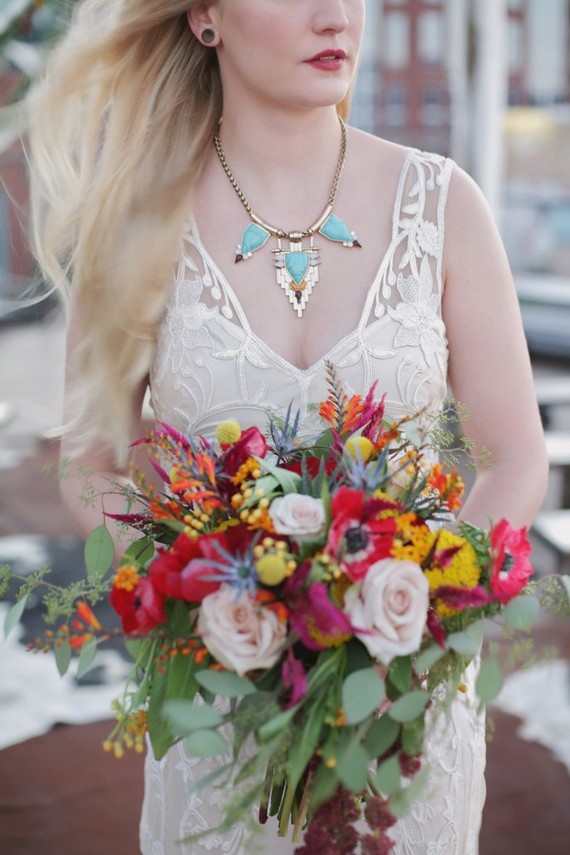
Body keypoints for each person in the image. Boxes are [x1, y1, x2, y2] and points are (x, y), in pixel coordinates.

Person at [27, 0, 548, 852]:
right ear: (205, 18)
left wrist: (414, 633)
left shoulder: (443, 203)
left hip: (404, 715)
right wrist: (189, 619)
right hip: (219, 705)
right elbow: (92, 462)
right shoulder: (135, 220)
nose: (336, 16)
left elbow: (517, 454)